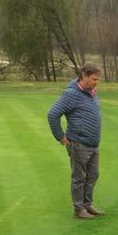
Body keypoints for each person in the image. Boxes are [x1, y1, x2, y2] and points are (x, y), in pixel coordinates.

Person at [47, 63, 105, 219]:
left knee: (93, 175)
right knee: (79, 177)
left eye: (98, 79)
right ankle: (79, 209)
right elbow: (53, 114)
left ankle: (87, 205)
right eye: (94, 79)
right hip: (78, 143)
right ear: (84, 76)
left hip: (93, 144)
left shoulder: (92, 91)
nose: (96, 82)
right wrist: (60, 136)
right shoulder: (71, 94)